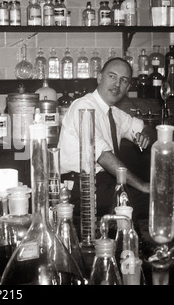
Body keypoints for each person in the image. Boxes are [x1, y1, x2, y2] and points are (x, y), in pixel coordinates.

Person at [58, 57, 152, 222]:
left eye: (123, 80)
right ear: (99, 78)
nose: (117, 84)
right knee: (149, 200)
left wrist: (145, 135)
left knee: (156, 197)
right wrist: (142, 186)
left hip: (104, 185)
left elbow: (145, 128)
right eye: (112, 76)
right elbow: (103, 156)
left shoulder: (114, 113)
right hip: (79, 189)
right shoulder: (83, 107)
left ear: (128, 87)